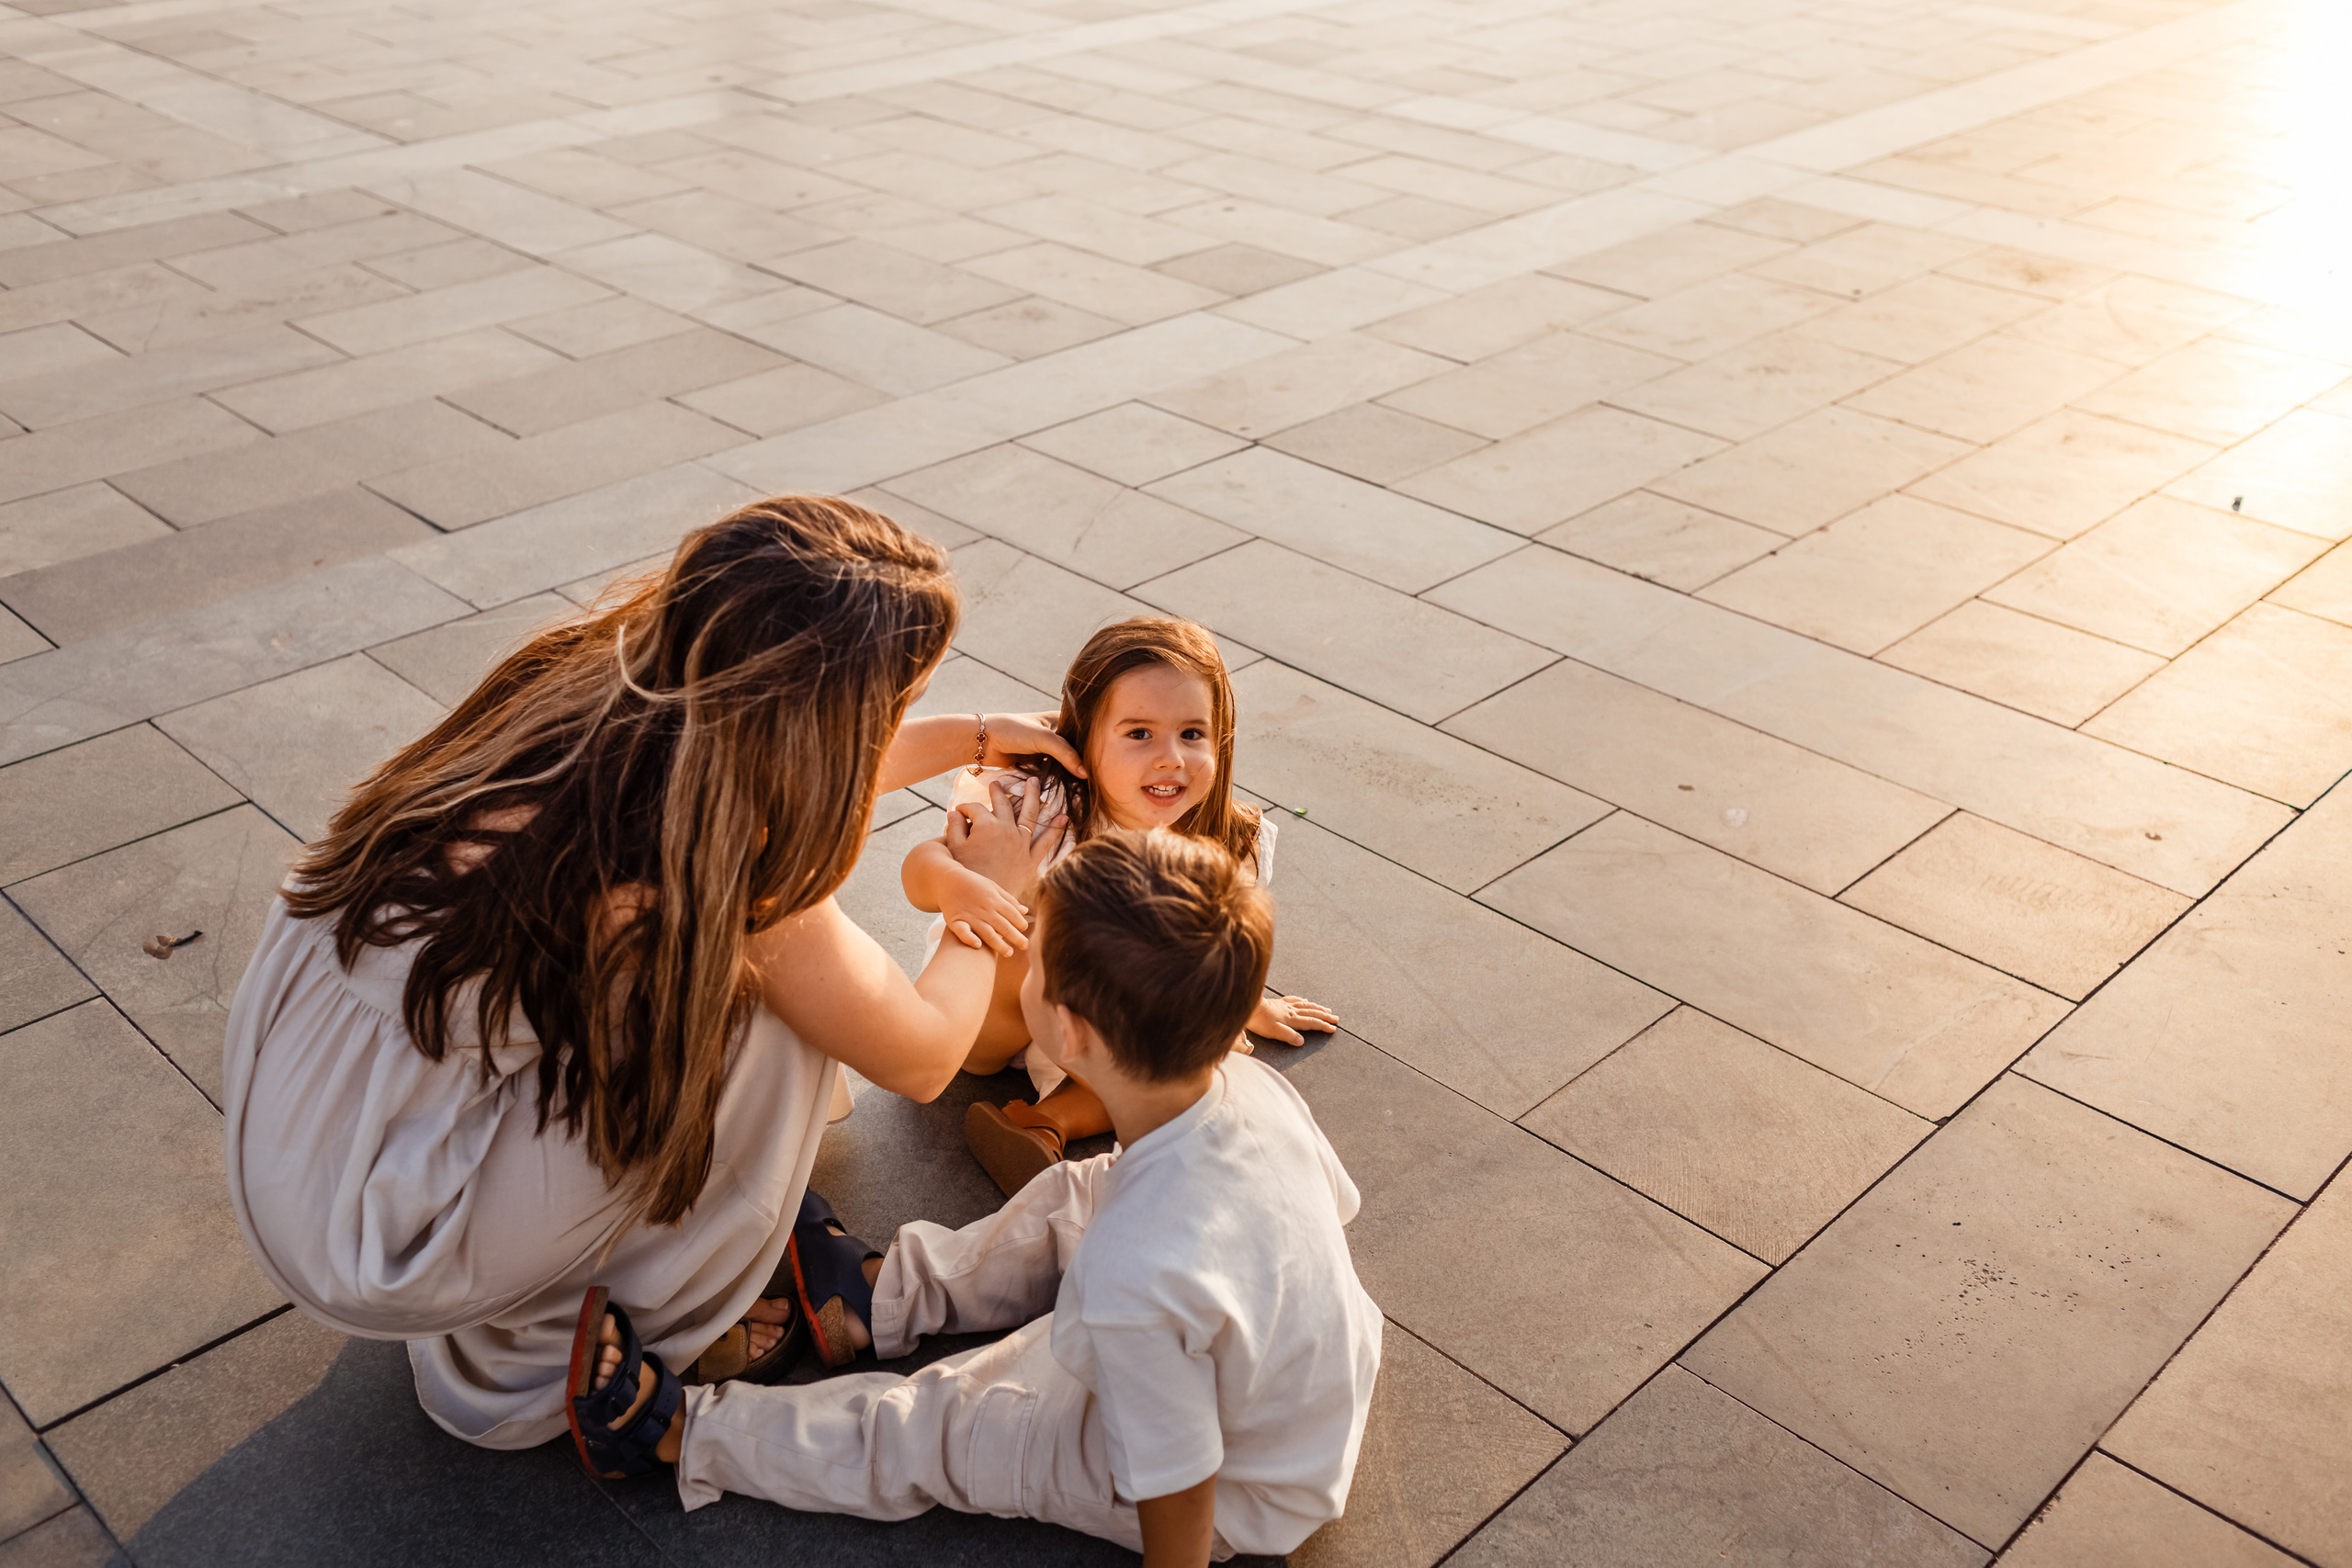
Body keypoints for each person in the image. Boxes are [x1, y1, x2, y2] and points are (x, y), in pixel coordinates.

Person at [220, 495, 1080, 1448]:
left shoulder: (593, 683)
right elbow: (919, 1056)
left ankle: (533, 1257)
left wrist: (975, 735)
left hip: (310, 1128)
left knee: (763, 972)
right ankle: (534, 1361)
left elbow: (800, 759)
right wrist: (986, 898)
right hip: (380, 1241)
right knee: (778, 1013)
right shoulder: (713, 860)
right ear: (829, 714)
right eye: (899, 700)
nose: (900, 719)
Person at [567, 829, 1384, 1565]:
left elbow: (1179, 1483)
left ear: (1070, 1036)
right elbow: (1318, 1216)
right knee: (1077, 1194)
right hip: (1300, 1407)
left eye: (1034, 955)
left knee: (946, 1422)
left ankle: (685, 1432)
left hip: (1239, 1490)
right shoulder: (1248, 1089)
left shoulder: (1143, 1270)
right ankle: (878, 1293)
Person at [900, 616, 1338, 1194]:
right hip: (994, 1012)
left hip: (1100, 1034)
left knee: (1187, 1039)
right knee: (1038, 947)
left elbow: (1217, 941)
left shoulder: (1228, 842)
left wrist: (1242, 1004)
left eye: (1191, 734)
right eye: (1138, 734)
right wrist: (960, 889)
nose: (1170, 758)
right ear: (1082, 739)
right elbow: (920, 869)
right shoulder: (1040, 805)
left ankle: (1042, 1124)